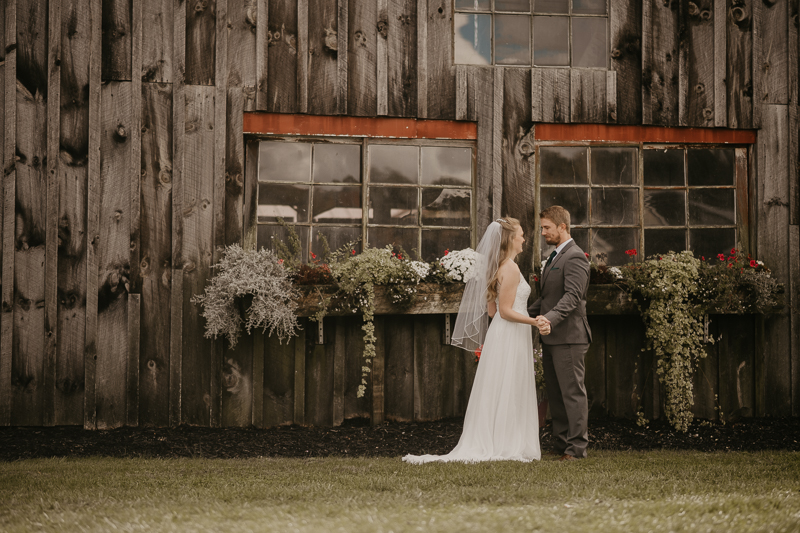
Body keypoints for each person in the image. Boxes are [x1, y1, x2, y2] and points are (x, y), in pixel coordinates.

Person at [403, 217, 549, 464]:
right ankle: (506, 443)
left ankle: (497, 439)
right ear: (510, 239)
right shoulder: (511, 268)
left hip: (501, 335)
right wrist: (535, 321)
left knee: (499, 386)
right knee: (509, 386)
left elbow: (492, 313)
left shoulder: (498, 266)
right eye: (521, 234)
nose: (524, 238)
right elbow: (504, 311)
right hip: (511, 334)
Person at [529, 206, 592, 461]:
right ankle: (562, 444)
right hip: (552, 336)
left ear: (562, 227)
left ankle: (576, 450)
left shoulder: (575, 256)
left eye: (546, 227)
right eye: (542, 228)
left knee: (572, 394)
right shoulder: (555, 256)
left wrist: (548, 320)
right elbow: (547, 299)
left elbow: (572, 297)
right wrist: (513, 313)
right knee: (556, 394)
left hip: (569, 337)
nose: (542, 232)